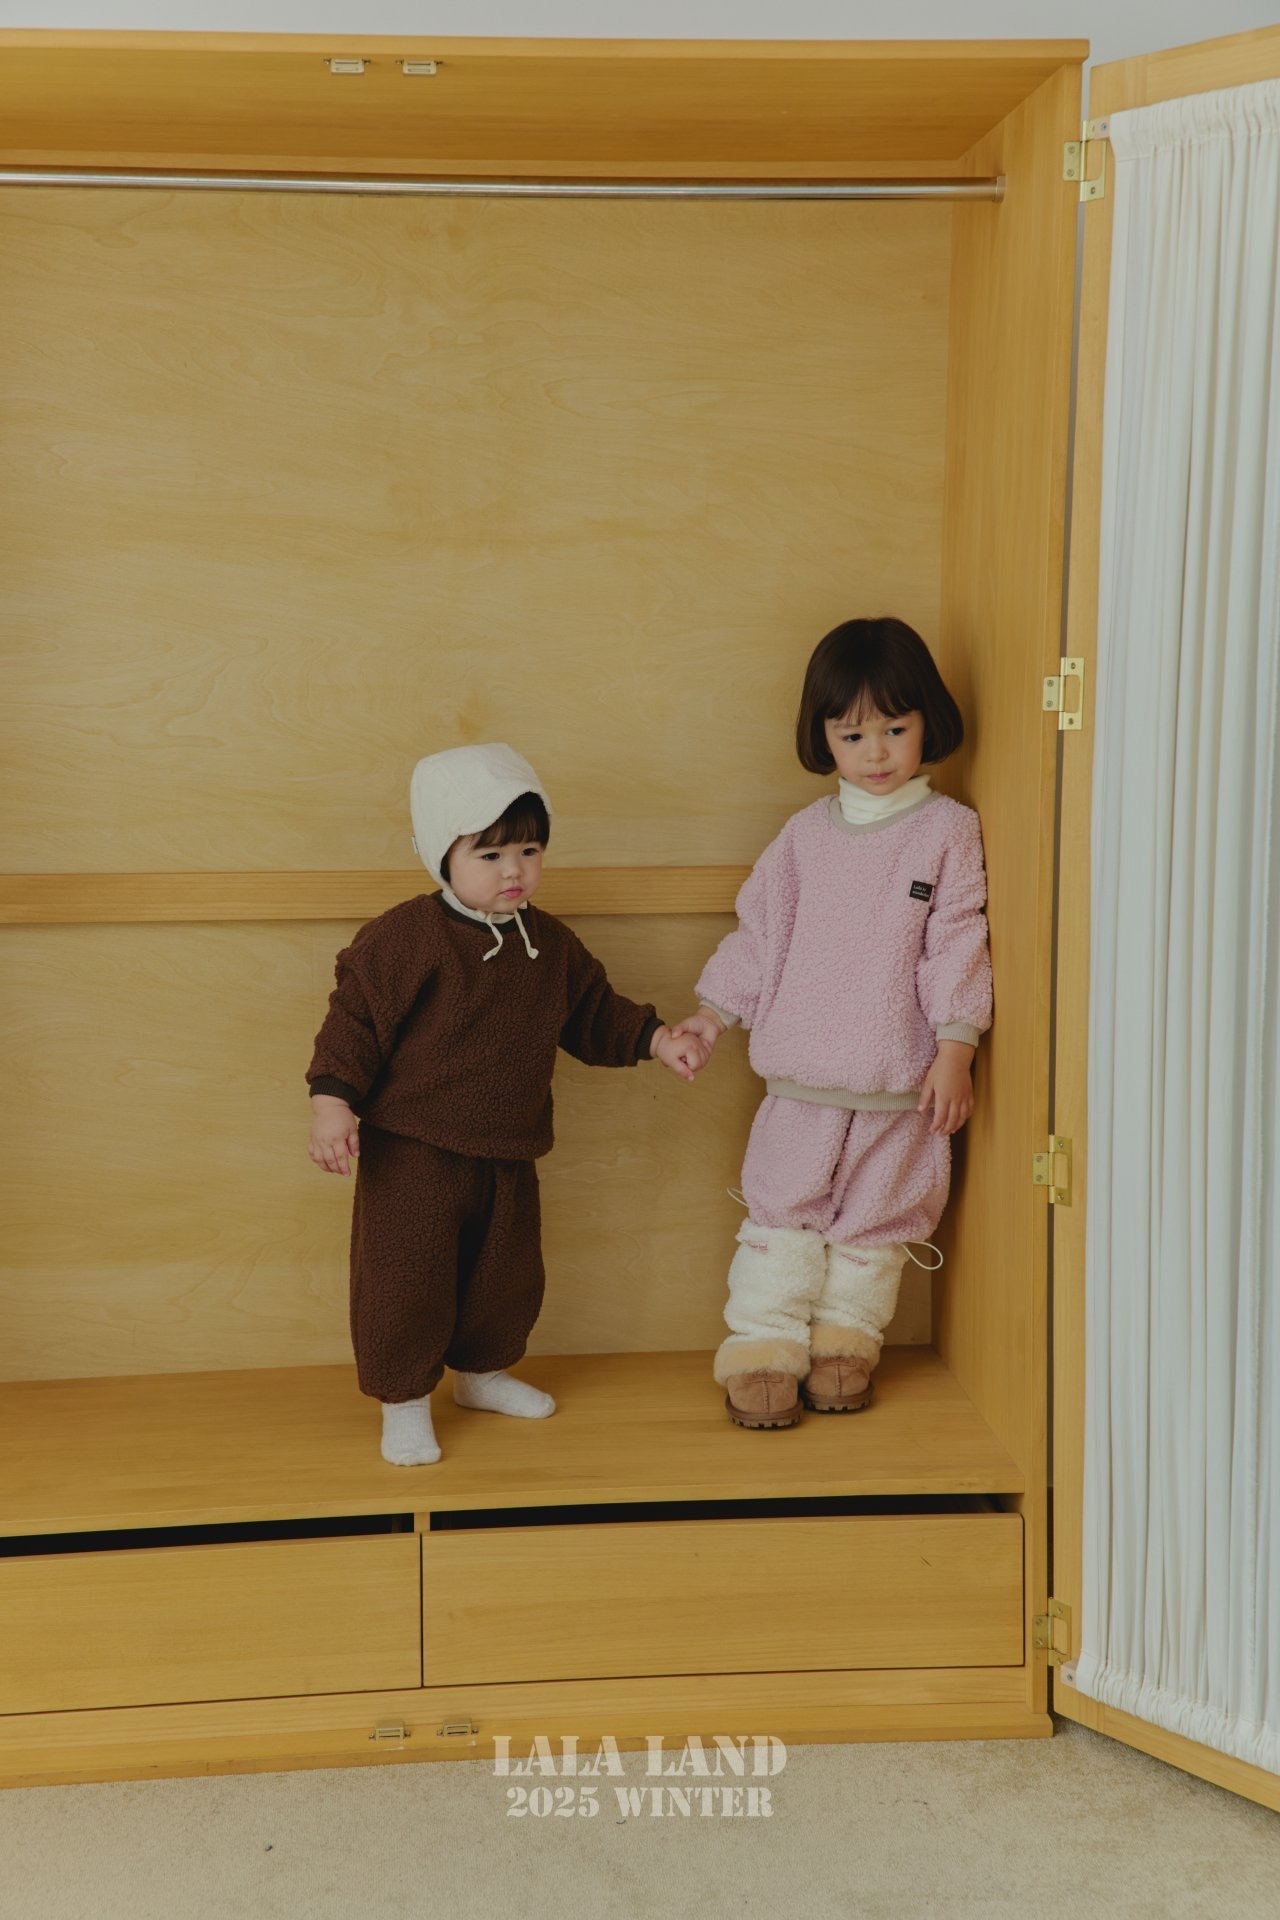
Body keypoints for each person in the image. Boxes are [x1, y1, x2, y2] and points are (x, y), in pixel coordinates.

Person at [307, 742, 710, 1465]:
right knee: (406, 1279)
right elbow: (355, 1021)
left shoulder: (548, 945)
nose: (513, 870)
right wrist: (332, 1102)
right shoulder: (406, 938)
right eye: (489, 854)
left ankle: (483, 1374)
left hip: (509, 1148)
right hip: (414, 1150)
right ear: (443, 855)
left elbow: (594, 1012)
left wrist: (656, 1039)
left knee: (505, 1275)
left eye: (529, 850)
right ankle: (404, 1399)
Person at [673, 617, 992, 1430]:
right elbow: (759, 935)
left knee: (876, 1227)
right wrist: (712, 1015)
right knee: (782, 1217)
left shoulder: (948, 830)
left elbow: (958, 941)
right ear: (824, 738)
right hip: (800, 1080)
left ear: (926, 723)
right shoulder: (803, 838)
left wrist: (956, 1048)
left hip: (901, 1084)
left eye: (894, 728)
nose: (876, 752)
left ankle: (846, 1347)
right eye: (853, 735)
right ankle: (761, 1350)